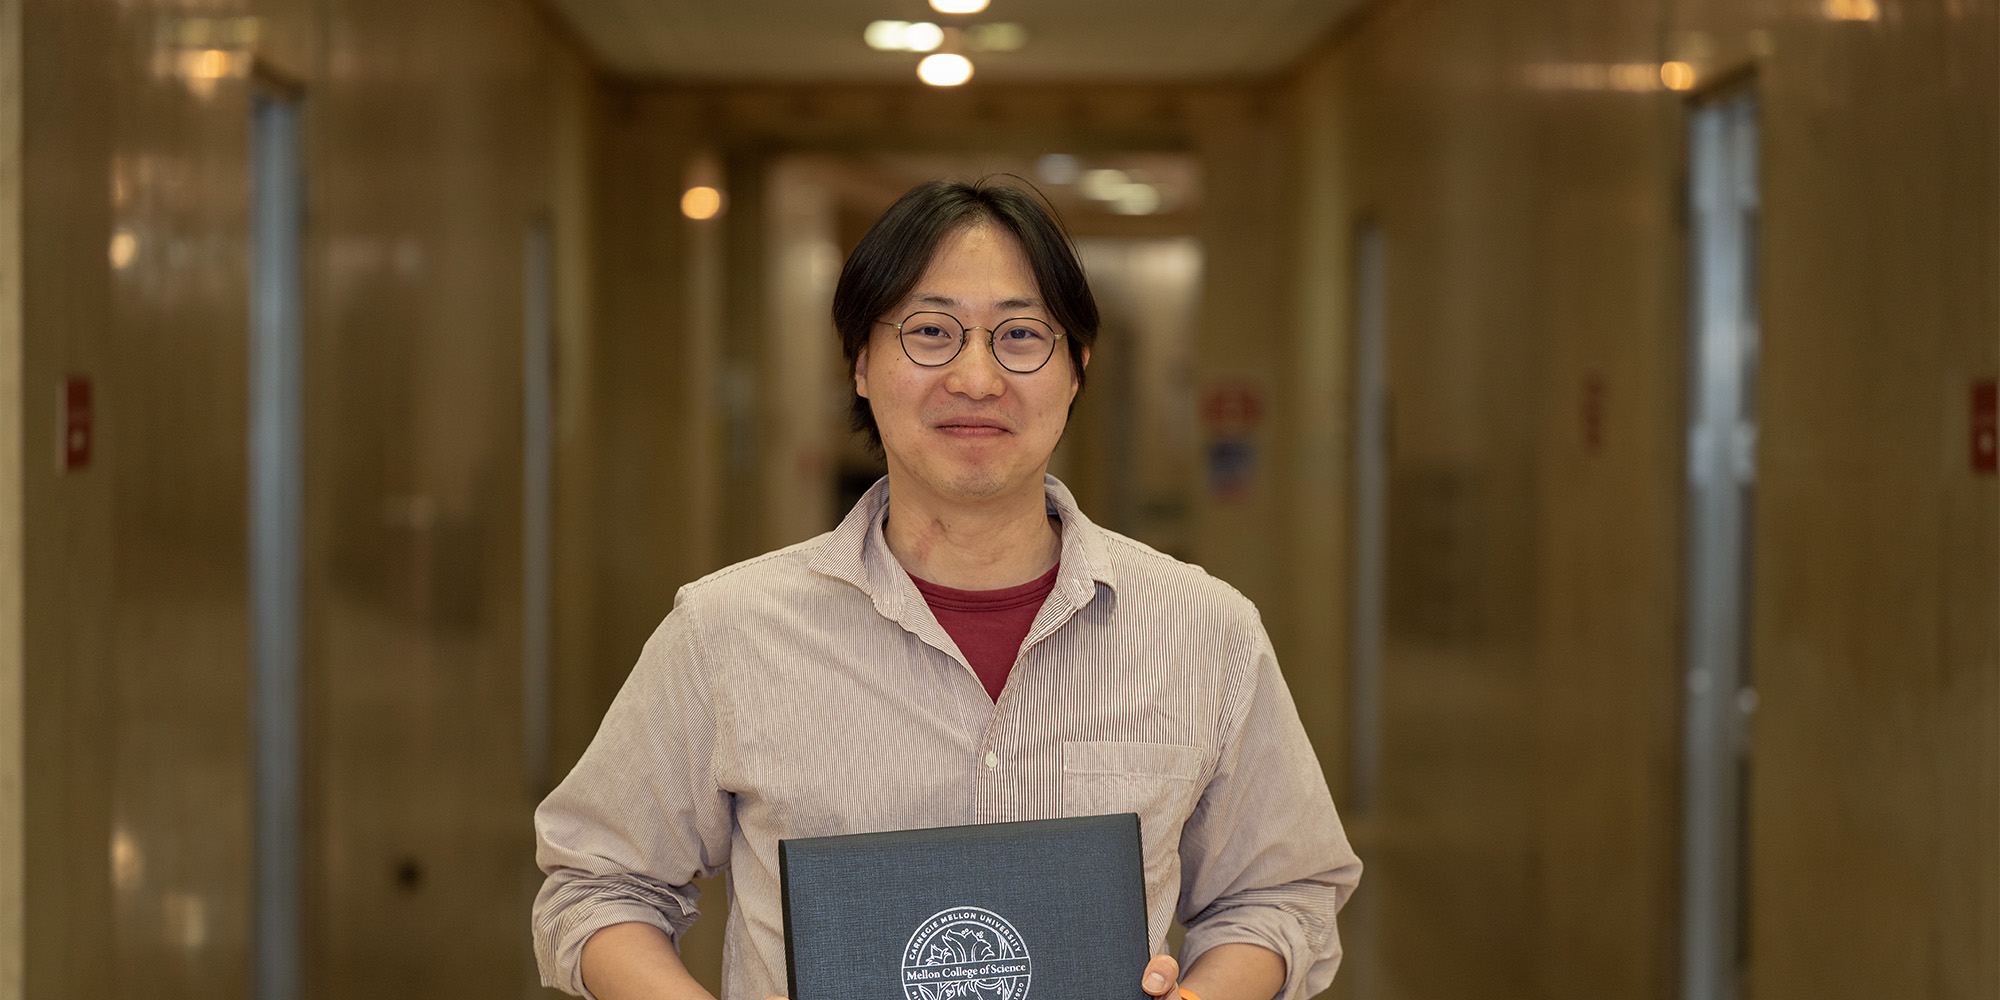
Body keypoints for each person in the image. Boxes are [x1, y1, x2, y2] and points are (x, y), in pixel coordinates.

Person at [531, 178, 1361, 1000]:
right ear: (861, 363)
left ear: (1076, 369)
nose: (976, 377)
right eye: (930, 331)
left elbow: (1279, 893)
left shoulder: (1202, 629)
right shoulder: (727, 630)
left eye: (1022, 335)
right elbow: (598, 884)